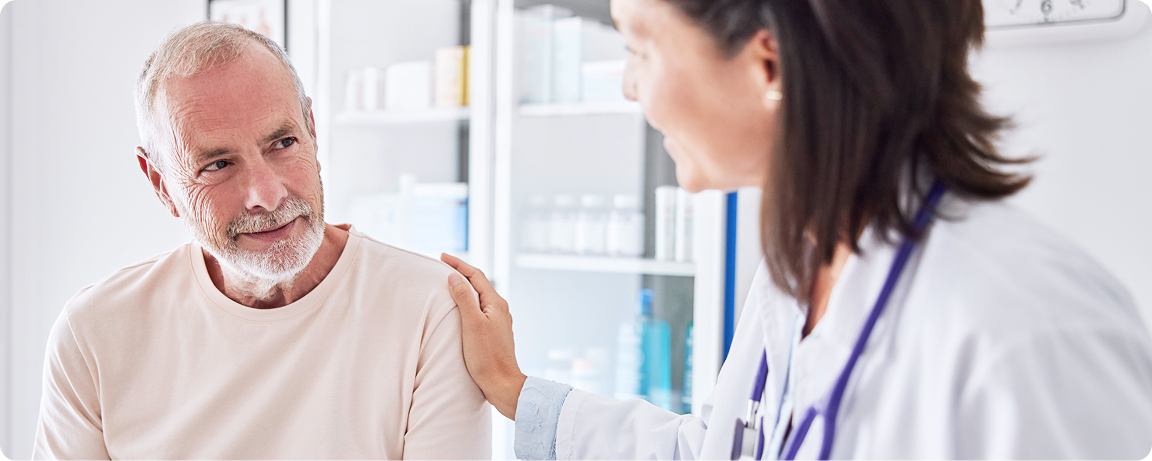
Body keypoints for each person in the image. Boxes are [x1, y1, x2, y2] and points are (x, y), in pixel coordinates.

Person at [440, 0, 1152, 459]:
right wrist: (513, 387)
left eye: (641, 49)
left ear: (769, 63)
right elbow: (725, 453)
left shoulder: (1025, 332)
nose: (631, 87)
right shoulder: (797, 270)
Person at [34, 22, 490, 460]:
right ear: (160, 184)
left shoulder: (431, 311)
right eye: (217, 165)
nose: (267, 195)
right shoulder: (95, 333)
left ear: (312, 130)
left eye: (284, 142)